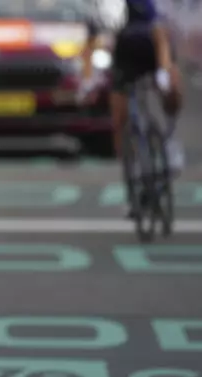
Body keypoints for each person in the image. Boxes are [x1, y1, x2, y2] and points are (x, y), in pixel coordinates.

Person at [80, 0, 184, 217]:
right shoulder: (98, 10)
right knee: (119, 119)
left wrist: (164, 70)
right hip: (124, 58)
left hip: (150, 48)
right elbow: (88, 46)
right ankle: (132, 176)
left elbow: (159, 33)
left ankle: (170, 142)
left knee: (173, 85)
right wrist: (87, 80)